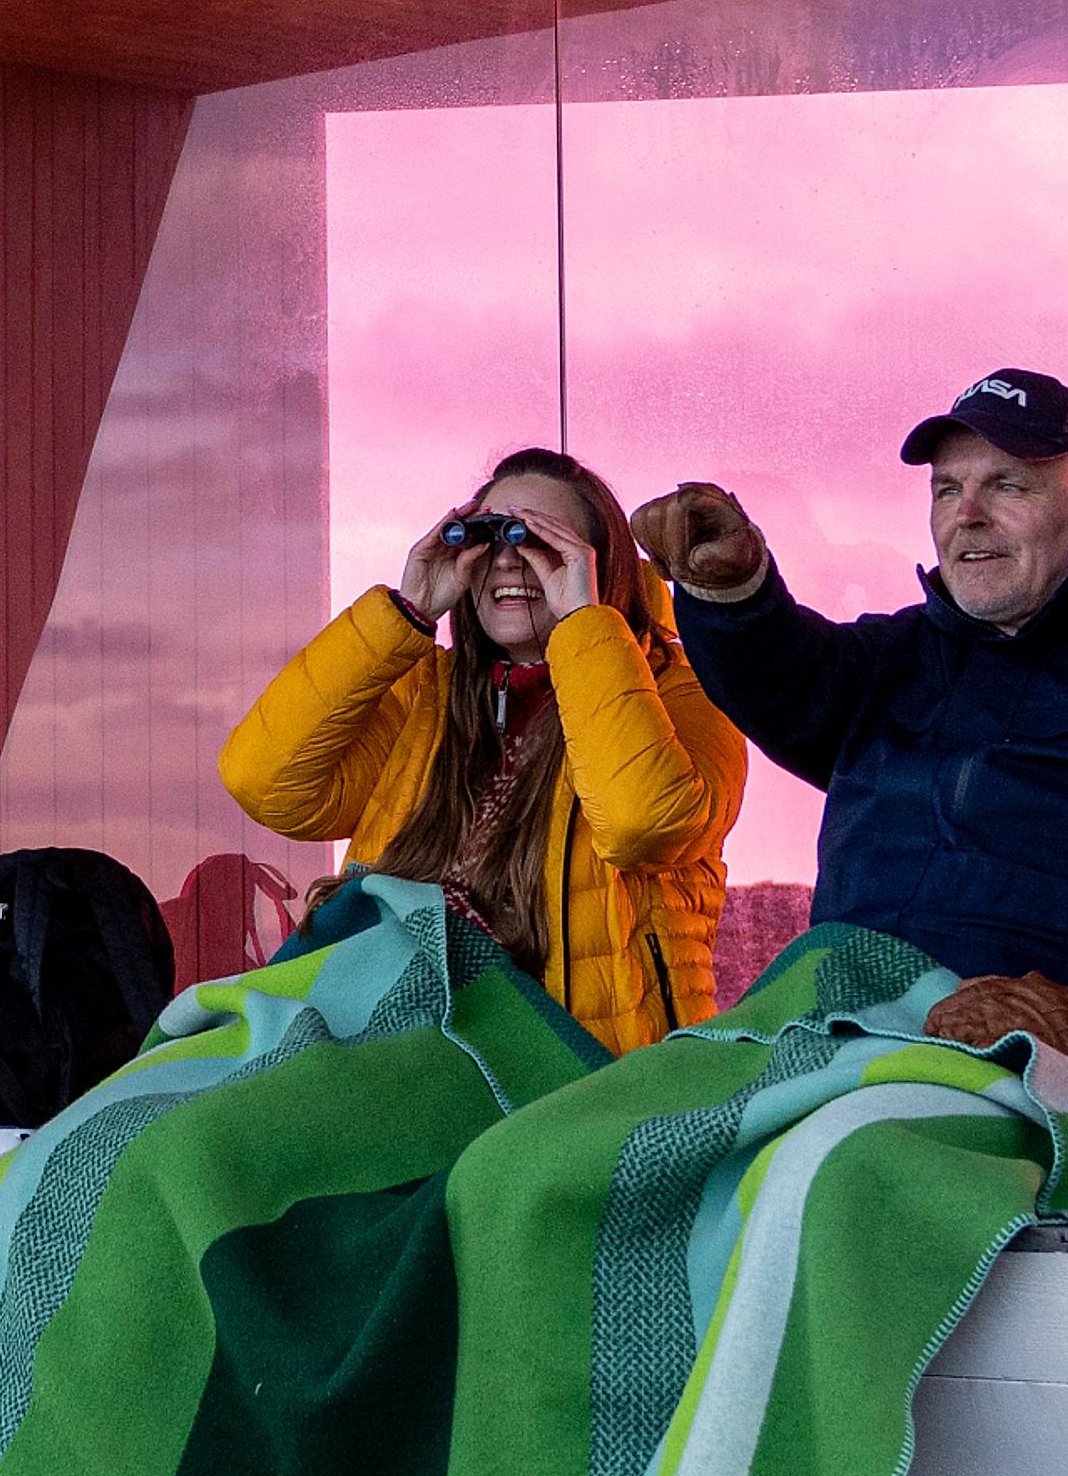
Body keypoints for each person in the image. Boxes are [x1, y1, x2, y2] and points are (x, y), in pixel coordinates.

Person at [634, 365, 1068, 1121]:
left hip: (1050, 1092)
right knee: (545, 1163)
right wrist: (732, 589)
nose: (966, 514)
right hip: (831, 1043)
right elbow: (788, 680)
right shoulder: (899, 659)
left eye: (1007, 485)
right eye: (946, 489)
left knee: (840, 1179)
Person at [216, 445, 749, 1050]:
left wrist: (584, 623)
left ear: (600, 565)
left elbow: (641, 825)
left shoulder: (684, 692)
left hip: (589, 1073)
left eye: (544, 544)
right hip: (410, 1053)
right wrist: (406, 613)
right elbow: (266, 785)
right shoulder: (425, 691)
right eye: (488, 537)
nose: (510, 562)